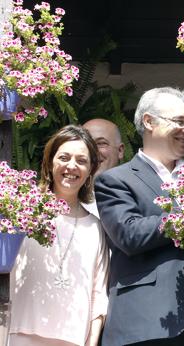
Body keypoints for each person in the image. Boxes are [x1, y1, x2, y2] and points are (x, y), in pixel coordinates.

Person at [94, 87, 184, 346]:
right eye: (179, 121)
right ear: (149, 122)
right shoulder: (116, 179)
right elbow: (129, 235)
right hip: (146, 321)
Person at [9, 125, 109, 346]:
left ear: (91, 169)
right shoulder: (23, 213)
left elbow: (98, 294)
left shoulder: (95, 227)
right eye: (64, 157)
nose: (71, 166)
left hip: (72, 338)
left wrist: (91, 342)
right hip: (19, 332)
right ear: (49, 161)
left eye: (81, 161)